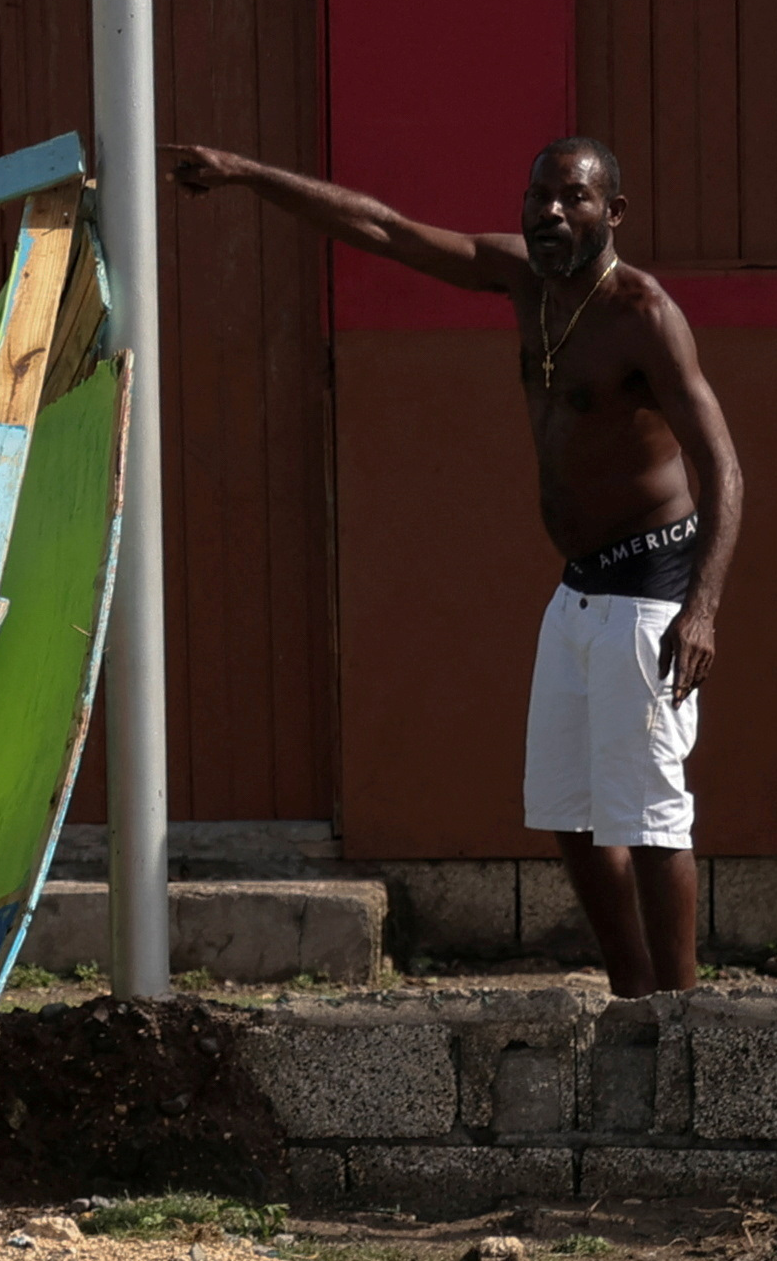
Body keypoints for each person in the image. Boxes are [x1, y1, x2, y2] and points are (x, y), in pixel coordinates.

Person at [170, 132, 743, 996]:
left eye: (574, 198)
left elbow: (725, 468)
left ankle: (686, 1018)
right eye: (539, 195)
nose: (551, 212)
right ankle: (634, 999)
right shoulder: (523, 280)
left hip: (651, 590)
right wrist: (247, 174)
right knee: (568, 814)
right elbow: (386, 228)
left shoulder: (642, 313)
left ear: (612, 213)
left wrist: (702, 608)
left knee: (651, 817)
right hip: (582, 589)